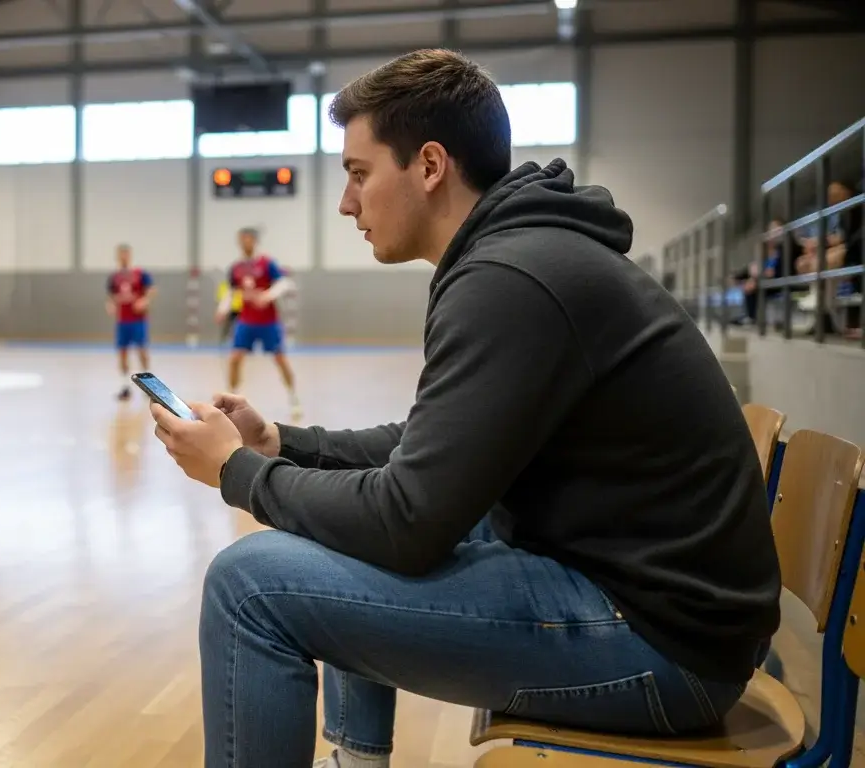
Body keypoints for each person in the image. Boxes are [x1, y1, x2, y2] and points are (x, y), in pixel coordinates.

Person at [148, 49, 780, 768]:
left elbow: (406, 523)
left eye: (358, 174)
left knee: (248, 586)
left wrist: (236, 473)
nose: (346, 203)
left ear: (428, 166)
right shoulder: (522, 255)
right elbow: (428, 449)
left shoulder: (509, 278)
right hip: (666, 613)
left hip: (663, 648)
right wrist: (280, 444)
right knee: (334, 517)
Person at [214, 227, 301, 418]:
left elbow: (284, 283)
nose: (244, 243)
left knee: (280, 359)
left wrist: (267, 296)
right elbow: (230, 292)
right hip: (246, 321)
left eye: (248, 239)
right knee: (235, 359)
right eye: (241, 239)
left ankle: (293, 397)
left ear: (254, 241)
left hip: (268, 322)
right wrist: (222, 309)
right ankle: (232, 398)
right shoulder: (235, 268)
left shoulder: (267, 263)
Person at [107, 243, 157, 400]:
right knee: (122, 353)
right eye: (121, 254)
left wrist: (144, 301)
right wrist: (110, 305)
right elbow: (111, 296)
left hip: (138, 320)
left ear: (130, 255)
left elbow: (151, 290)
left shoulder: (139, 273)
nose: (123, 257)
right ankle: (125, 386)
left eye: (126, 254)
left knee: (142, 350)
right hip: (122, 320)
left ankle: (149, 385)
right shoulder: (115, 277)